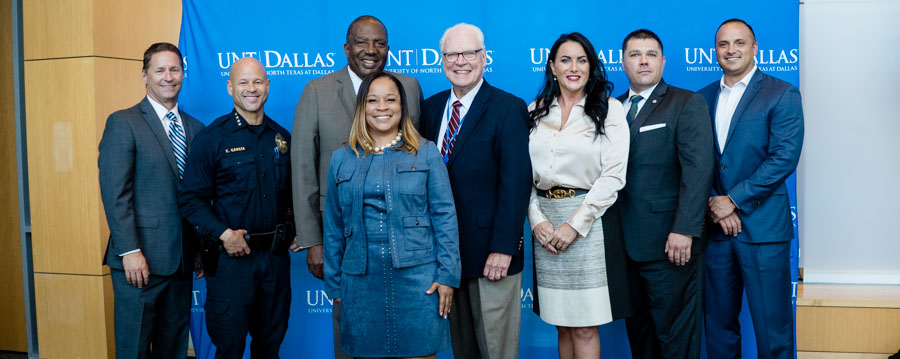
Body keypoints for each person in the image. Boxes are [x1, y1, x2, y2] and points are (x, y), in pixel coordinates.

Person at [291, 16, 423, 358]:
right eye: (362, 42)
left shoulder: (408, 88)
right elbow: (303, 169)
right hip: (342, 239)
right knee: (351, 328)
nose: (370, 50)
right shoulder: (317, 91)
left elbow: (416, 161)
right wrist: (312, 241)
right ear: (346, 47)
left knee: (402, 331)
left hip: (401, 240)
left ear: (388, 49)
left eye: (379, 43)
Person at [322, 71, 460, 359]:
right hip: (360, 283)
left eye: (390, 99)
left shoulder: (426, 153)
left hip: (419, 281)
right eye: (373, 100)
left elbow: (444, 216)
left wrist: (447, 275)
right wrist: (334, 284)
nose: (382, 107)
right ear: (362, 107)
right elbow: (333, 226)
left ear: (402, 106)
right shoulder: (341, 158)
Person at [418, 23, 532, 359]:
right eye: (452, 54)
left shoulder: (508, 108)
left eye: (469, 53)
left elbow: (517, 183)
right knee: (461, 349)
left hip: (491, 257)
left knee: (496, 350)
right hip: (444, 256)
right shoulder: (431, 108)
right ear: (442, 60)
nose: (460, 61)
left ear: (484, 58)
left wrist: (503, 247)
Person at [698, 19, 804, 359]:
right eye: (723, 44)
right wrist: (716, 204)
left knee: (774, 331)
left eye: (739, 43)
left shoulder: (781, 93)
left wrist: (732, 200)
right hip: (715, 233)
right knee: (718, 328)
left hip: (763, 232)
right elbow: (697, 163)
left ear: (755, 48)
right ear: (715, 50)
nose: (731, 50)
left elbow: (784, 158)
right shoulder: (702, 98)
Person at [179, 57, 294, 358]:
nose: (251, 89)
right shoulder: (212, 139)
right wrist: (223, 234)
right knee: (229, 348)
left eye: (258, 81)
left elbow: (293, 193)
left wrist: (296, 228)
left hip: (274, 260)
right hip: (231, 263)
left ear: (268, 86)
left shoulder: (281, 137)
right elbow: (191, 199)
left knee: (270, 347)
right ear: (230, 87)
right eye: (243, 82)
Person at [526, 32, 631, 359]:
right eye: (566, 60)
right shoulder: (535, 111)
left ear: (591, 67)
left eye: (582, 60)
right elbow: (521, 174)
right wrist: (536, 219)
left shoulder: (609, 109)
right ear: (552, 67)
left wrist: (575, 224)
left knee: (585, 325)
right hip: (545, 223)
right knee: (562, 323)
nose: (574, 67)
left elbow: (614, 175)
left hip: (590, 222)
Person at [99, 42, 204, 359]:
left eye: (175, 69)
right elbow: (116, 193)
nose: (168, 77)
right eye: (160, 70)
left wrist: (197, 247)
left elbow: (196, 197)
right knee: (134, 350)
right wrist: (129, 250)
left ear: (183, 74)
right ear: (145, 75)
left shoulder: (195, 128)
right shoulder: (124, 122)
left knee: (173, 349)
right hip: (139, 262)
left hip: (182, 261)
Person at [616, 29, 715, 359]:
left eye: (651, 54)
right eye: (634, 54)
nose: (643, 60)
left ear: (663, 61)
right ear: (622, 62)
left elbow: (698, 171)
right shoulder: (612, 109)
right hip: (622, 247)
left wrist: (684, 229)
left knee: (675, 341)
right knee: (640, 339)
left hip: (669, 247)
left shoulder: (686, 103)